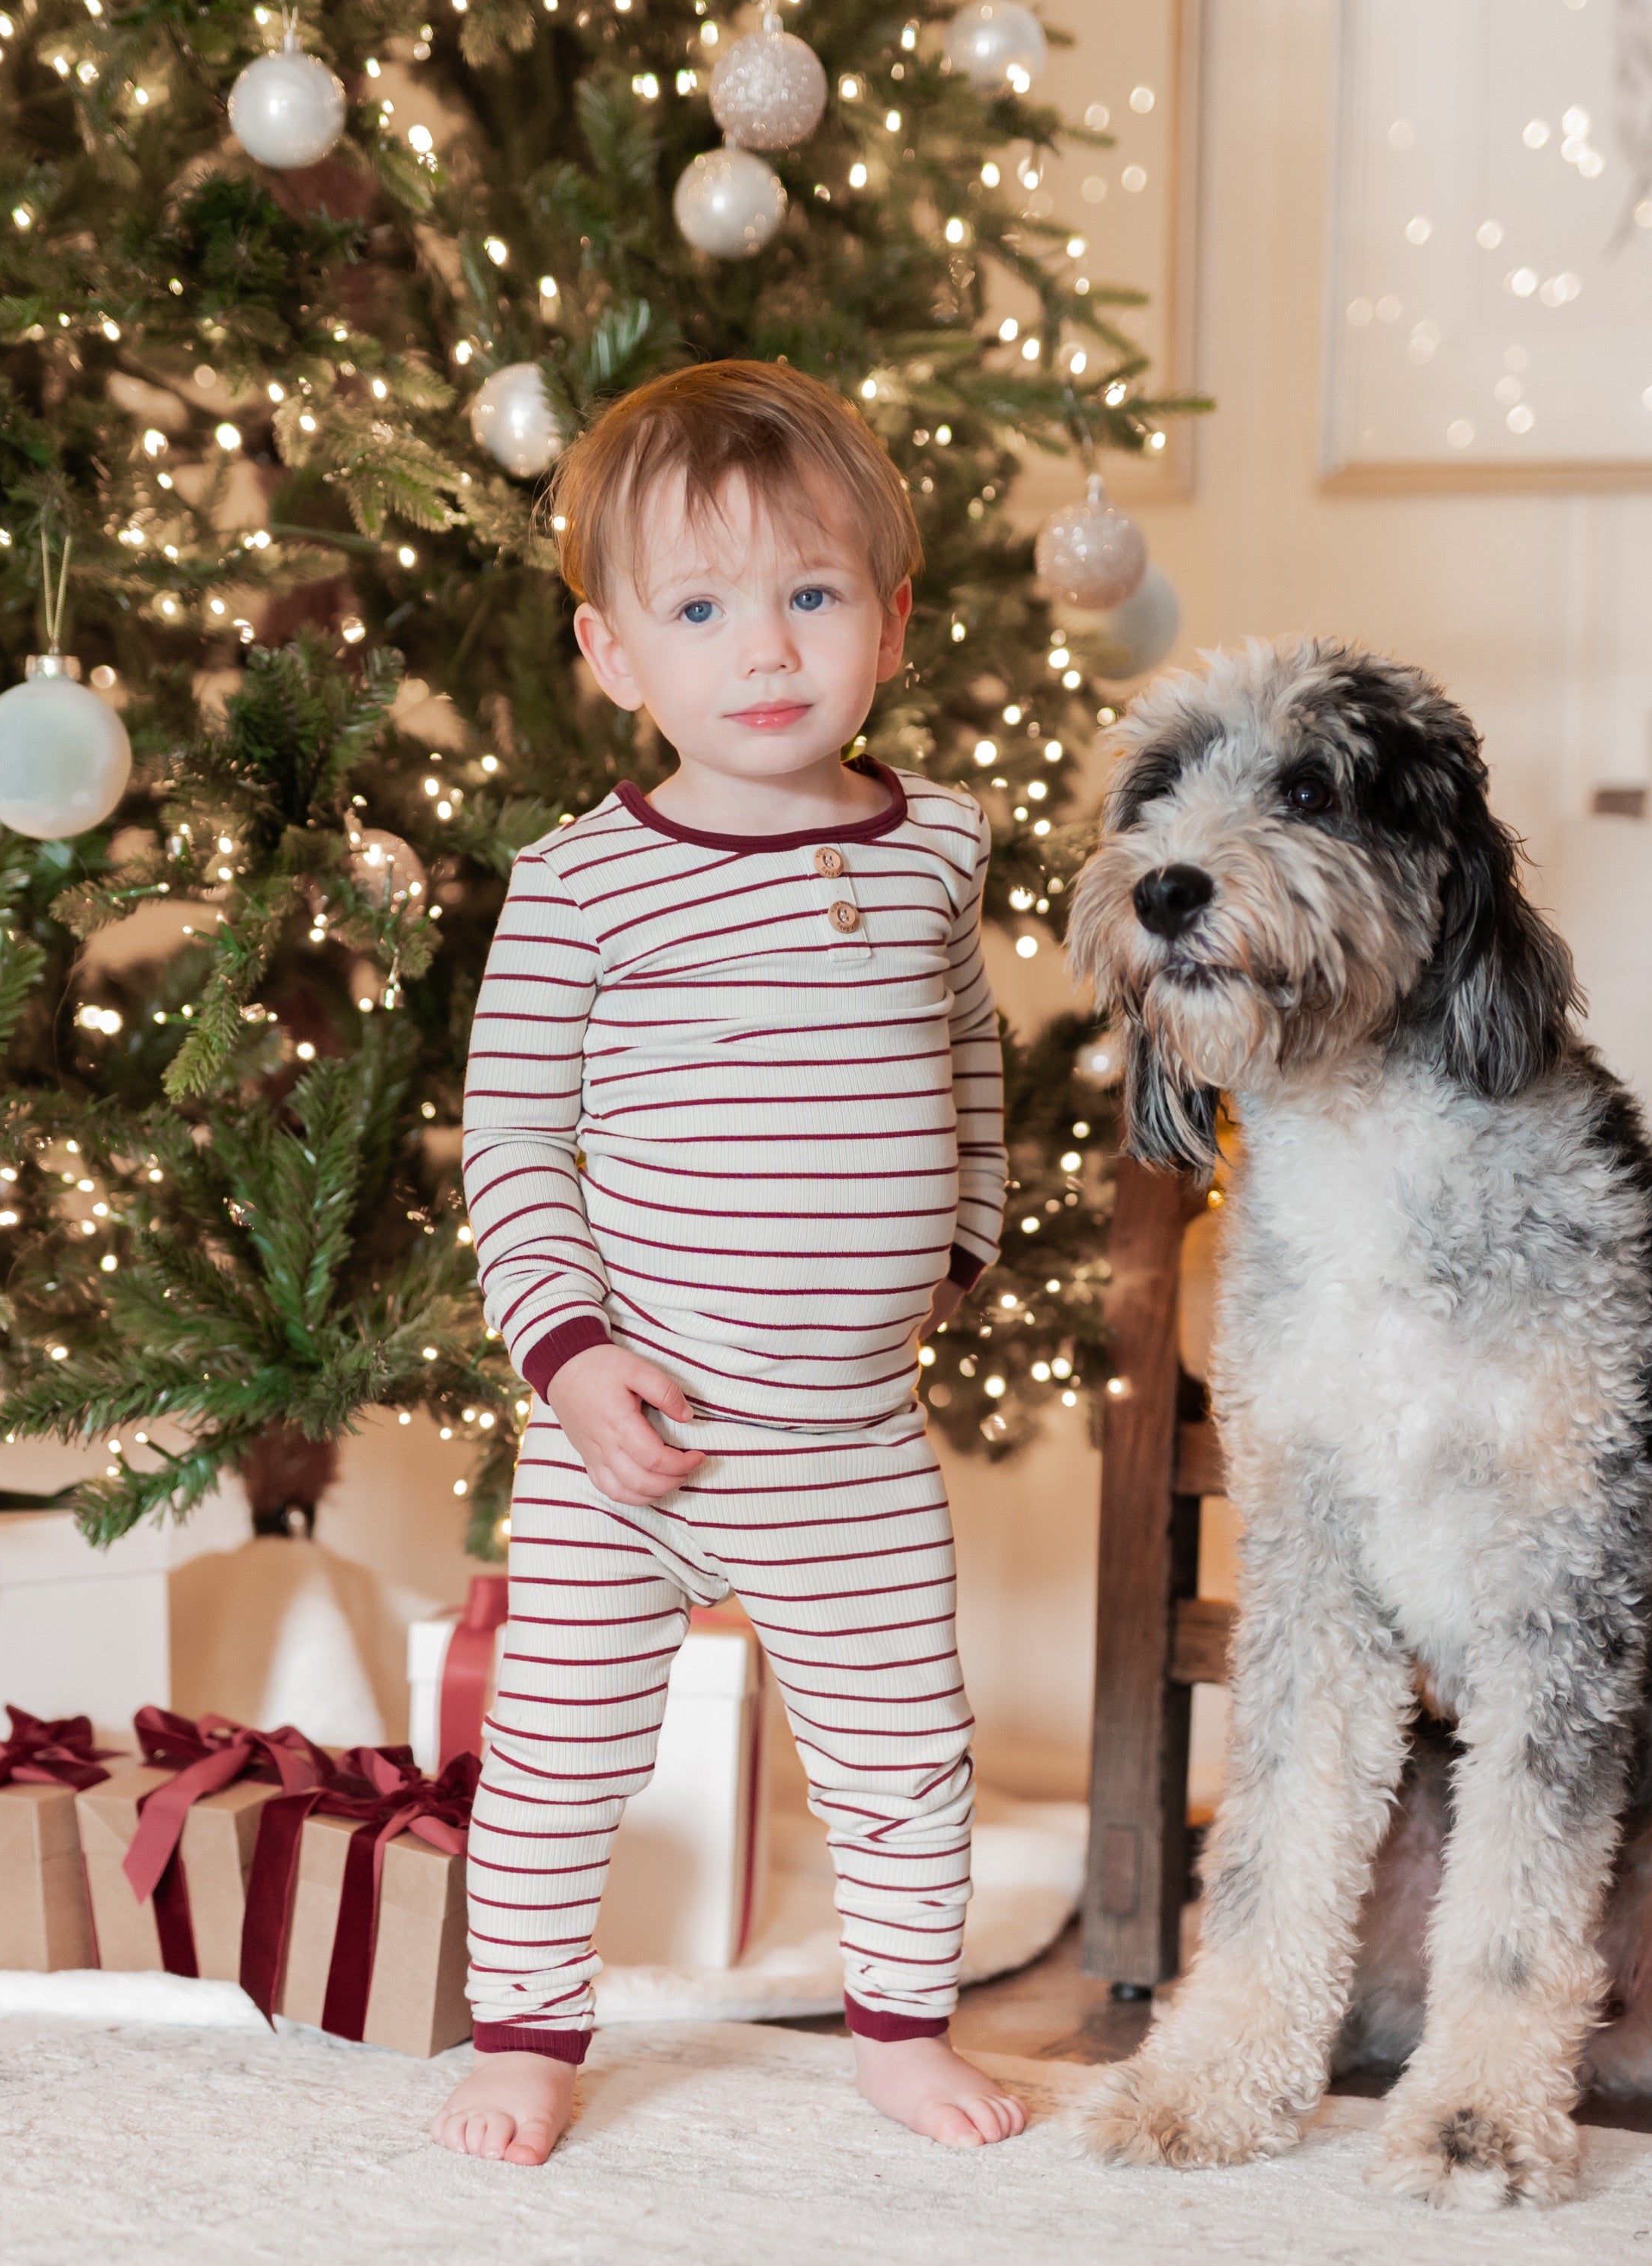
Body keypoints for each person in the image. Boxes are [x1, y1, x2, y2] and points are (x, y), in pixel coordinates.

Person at [430, 361, 1021, 2165]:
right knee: (558, 1752)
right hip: (639, 1429)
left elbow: (968, 1042)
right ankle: (530, 2035)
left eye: (812, 595)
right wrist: (571, 1358)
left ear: (892, 621)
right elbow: (514, 1143)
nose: (765, 650)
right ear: (615, 655)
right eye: (701, 610)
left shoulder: (930, 847)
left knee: (903, 1748)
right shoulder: (585, 884)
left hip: (846, 1441)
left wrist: (973, 1224)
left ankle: (901, 2033)